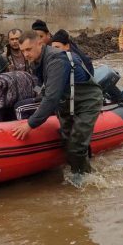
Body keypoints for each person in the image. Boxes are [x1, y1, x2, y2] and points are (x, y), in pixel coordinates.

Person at [11, 30, 103, 179]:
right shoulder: (37, 61)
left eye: (28, 49)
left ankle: (85, 181)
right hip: (67, 101)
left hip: (86, 101)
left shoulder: (56, 60)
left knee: (76, 146)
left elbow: (51, 97)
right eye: (22, 51)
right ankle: (81, 169)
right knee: (67, 141)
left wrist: (30, 124)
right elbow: (43, 88)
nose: (26, 54)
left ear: (40, 43)